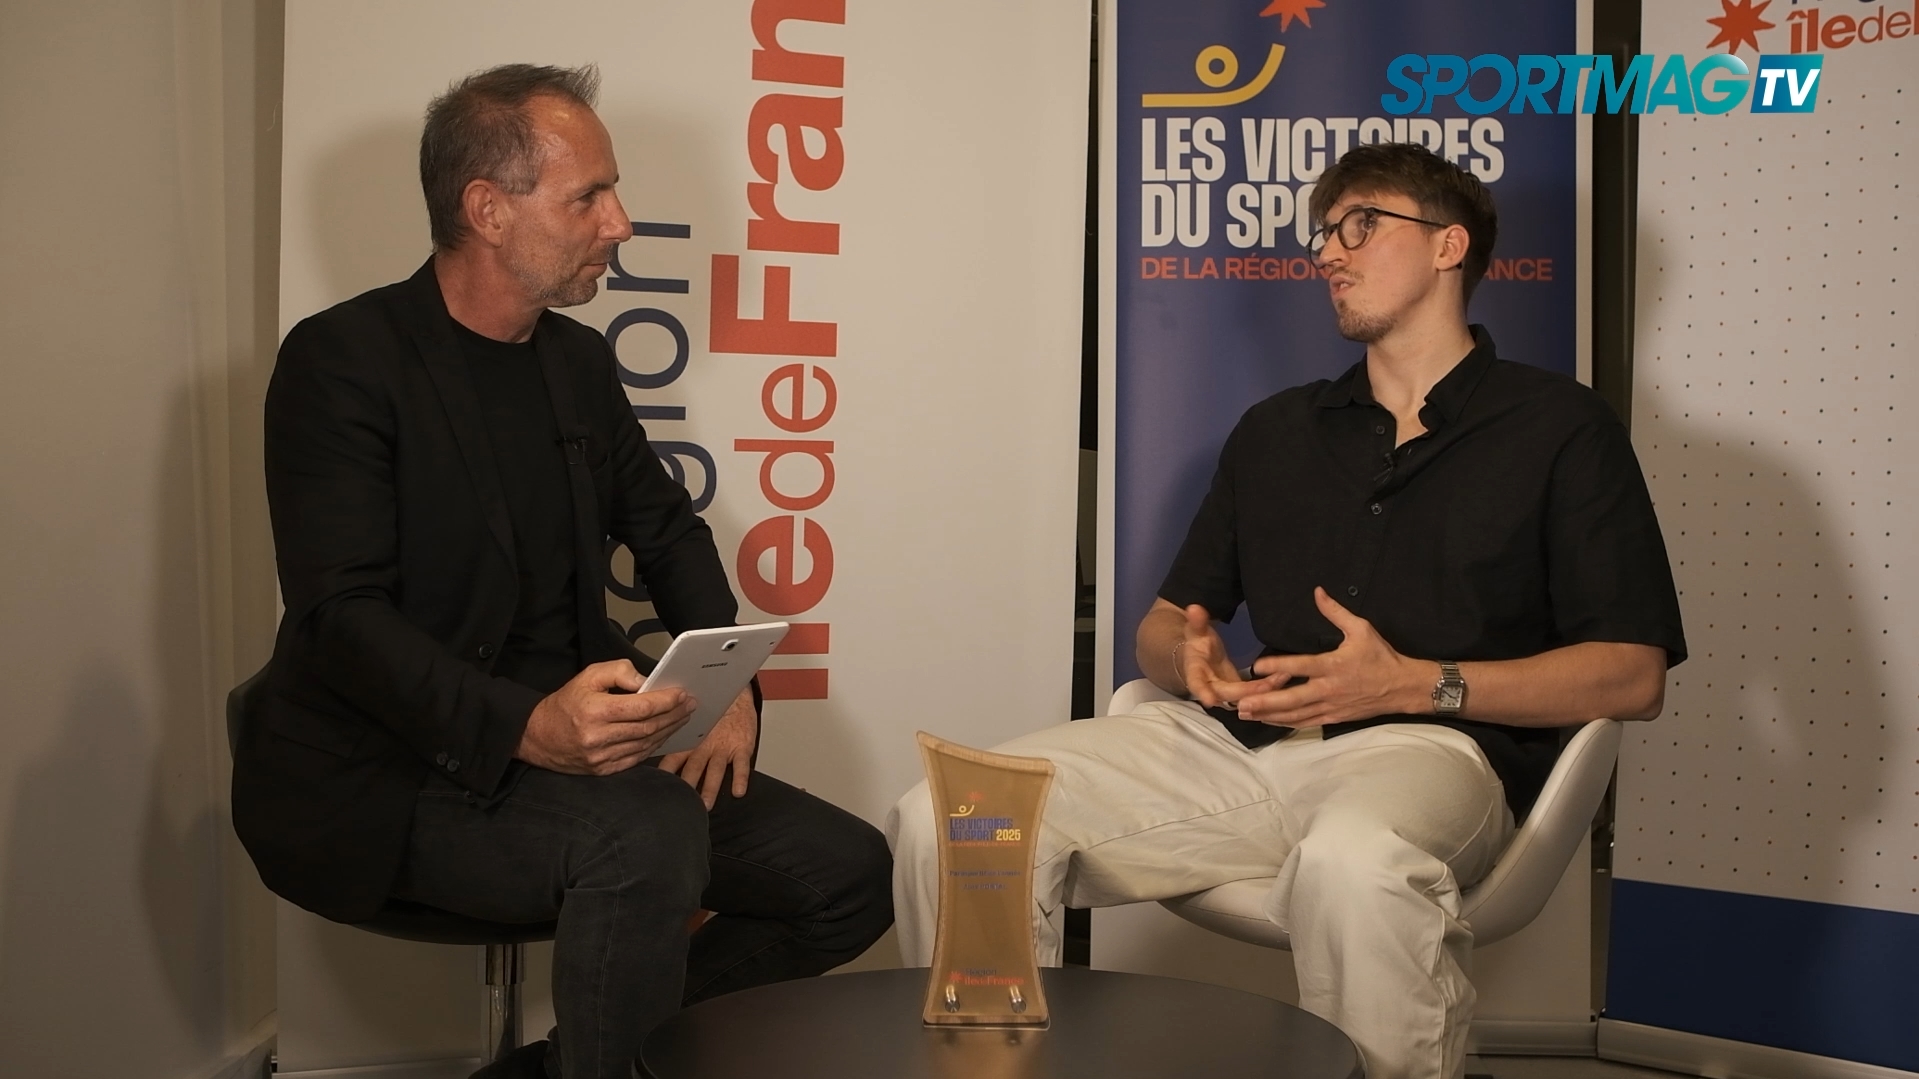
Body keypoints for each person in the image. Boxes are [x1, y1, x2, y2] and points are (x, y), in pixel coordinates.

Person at [888, 142, 1685, 1079]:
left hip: (1429, 751)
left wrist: (1414, 683)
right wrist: (1185, 659)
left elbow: (1631, 675)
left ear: (1448, 246)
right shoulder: (1275, 430)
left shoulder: (1560, 427)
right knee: (958, 816)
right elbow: (1164, 623)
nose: (1328, 254)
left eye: (1360, 226)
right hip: (1237, 745)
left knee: (1352, 861)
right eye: (1323, 234)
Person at [233, 64, 892, 1079]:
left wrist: (726, 682)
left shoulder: (575, 362)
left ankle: (573, 1063)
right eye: (589, 196)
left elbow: (666, 530)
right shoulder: (343, 360)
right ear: (487, 210)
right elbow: (341, 619)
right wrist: (525, 724)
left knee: (847, 875)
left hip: (587, 756)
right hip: (386, 776)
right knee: (645, 834)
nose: (619, 222)